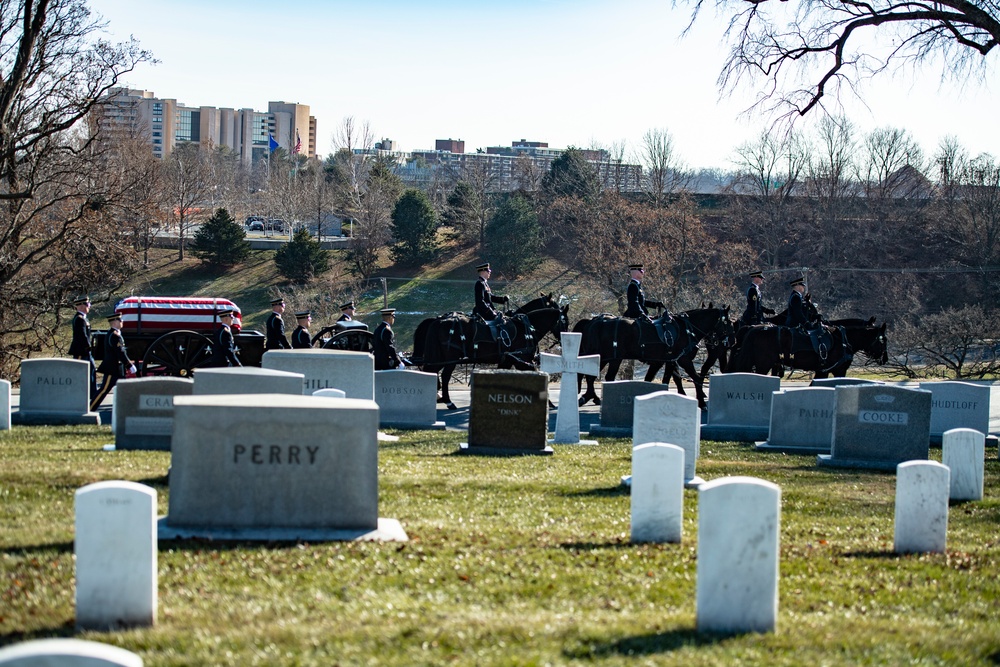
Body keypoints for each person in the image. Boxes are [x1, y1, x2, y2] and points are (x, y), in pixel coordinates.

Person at [90, 312, 135, 412]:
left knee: (124, 390)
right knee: (103, 390)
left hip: (117, 369)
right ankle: (90, 408)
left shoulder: (114, 334)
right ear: (115, 322)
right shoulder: (114, 335)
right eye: (120, 320)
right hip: (112, 369)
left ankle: (126, 411)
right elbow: (120, 352)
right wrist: (129, 365)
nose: (122, 321)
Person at [68, 295, 98, 400]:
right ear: (80, 306)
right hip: (81, 350)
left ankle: (92, 394)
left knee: (92, 371)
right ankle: (79, 394)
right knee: (81, 373)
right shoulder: (79, 319)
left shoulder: (83, 318)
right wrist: (89, 347)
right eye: (87, 304)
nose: (89, 306)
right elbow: (82, 335)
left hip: (86, 351)